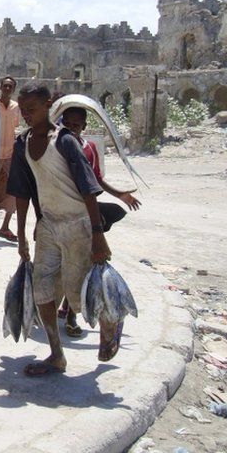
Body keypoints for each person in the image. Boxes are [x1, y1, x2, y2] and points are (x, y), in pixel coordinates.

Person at [7, 83, 121, 376]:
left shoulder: (66, 142)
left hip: (77, 225)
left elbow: (88, 190)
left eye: (32, 110)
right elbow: (21, 192)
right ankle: (56, 354)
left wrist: (97, 235)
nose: (27, 116)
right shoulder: (22, 144)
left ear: (48, 105)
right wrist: (22, 234)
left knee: (76, 294)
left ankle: (110, 322)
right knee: (42, 288)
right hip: (49, 224)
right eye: (24, 111)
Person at [57, 106, 142, 337]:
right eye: (68, 124)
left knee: (81, 262)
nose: (72, 128)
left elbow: (95, 180)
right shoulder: (58, 145)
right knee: (63, 261)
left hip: (84, 212)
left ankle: (71, 313)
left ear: (84, 126)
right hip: (62, 210)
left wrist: (119, 195)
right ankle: (61, 306)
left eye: (77, 125)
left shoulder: (89, 148)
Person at [0, 76, 20, 242]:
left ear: (13, 89)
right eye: (5, 86)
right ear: (0, 87)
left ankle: (5, 226)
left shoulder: (16, 107)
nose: (7, 89)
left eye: (10, 87)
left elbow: (14, 128)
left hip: (9, 154)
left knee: (14, 189)